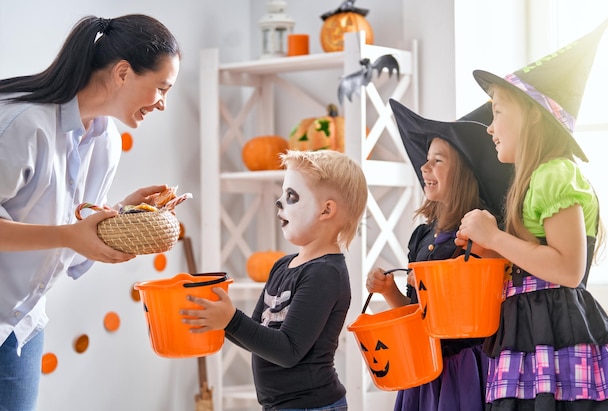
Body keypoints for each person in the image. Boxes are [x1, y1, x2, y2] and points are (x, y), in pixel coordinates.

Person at [0, 14, 180, 411]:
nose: (163, 103)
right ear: (122, 72)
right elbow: (67, 233)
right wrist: (68, 235)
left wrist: (125, 217)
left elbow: (78, 235)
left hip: (22, 327)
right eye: (161, 88)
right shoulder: (22, 124)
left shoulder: (106, 143)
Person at [455, 16, 608, 410]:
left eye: (497, 111)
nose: (489, 127)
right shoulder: (536, 180)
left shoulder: (555, 173)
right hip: (530, 335)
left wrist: (496, 236)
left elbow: (566, 269)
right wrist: (489, 246)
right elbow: (536, 264)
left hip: (555, 334)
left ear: (533, 115)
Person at [182, 150, 368, 411]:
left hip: (312, 406)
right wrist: (220, 319)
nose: (279, 202)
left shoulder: (325, 274)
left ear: (326, 210)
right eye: (283, 194)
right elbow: (257, 334)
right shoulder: (282, 266)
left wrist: (231, 320)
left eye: (291, 196)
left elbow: (288, 351)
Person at [364, 99, 512, 411]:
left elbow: (483, 308)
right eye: (426, 160)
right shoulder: (422, 235)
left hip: (463, 368)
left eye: (438, 161)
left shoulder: (479, 229)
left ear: (463, 171)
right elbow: (418, 315)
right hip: (424, 366)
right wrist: (390, 292)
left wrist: (445, 281)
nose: (424, 167)